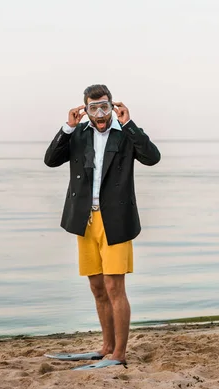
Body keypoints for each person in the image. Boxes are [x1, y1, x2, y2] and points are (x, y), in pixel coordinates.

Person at [43, 84, 161, 370]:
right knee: (97, 287)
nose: (100, 113)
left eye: (104, 106)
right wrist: (68, 128)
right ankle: (105, 347)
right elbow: (50, 160)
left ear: (112, 106)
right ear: (85, 109)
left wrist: (129, 123)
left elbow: (152, 157)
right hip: (85, 220)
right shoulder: (78, 135)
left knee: (114, 286)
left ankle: (119, 354)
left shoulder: (125, 135)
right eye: (93, 107)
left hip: (116, 222)